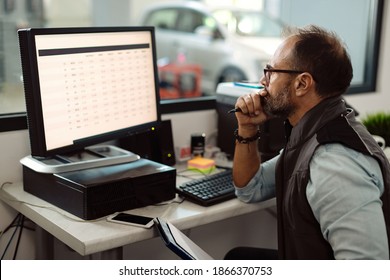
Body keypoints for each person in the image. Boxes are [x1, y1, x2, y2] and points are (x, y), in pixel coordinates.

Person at [227, 25, 390, 260]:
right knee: (238, 258)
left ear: (302, 84)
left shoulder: (333, 163)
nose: (263, 80)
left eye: (271, 72)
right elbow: (251, 188)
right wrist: (248, 127)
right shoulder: (311, 132)